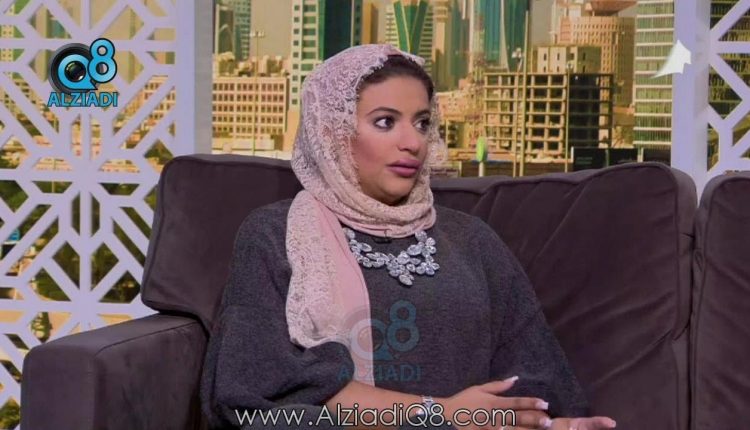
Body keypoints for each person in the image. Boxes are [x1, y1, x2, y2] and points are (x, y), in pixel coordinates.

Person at [200, 44, 616, 430]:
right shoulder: (275, 235)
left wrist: (551, 423)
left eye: (422, 123)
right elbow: (254, 398)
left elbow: (534, 375)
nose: (413, 142)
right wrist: (439, 416)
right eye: (385, 122)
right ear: (331, 133)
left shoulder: (472, 240)